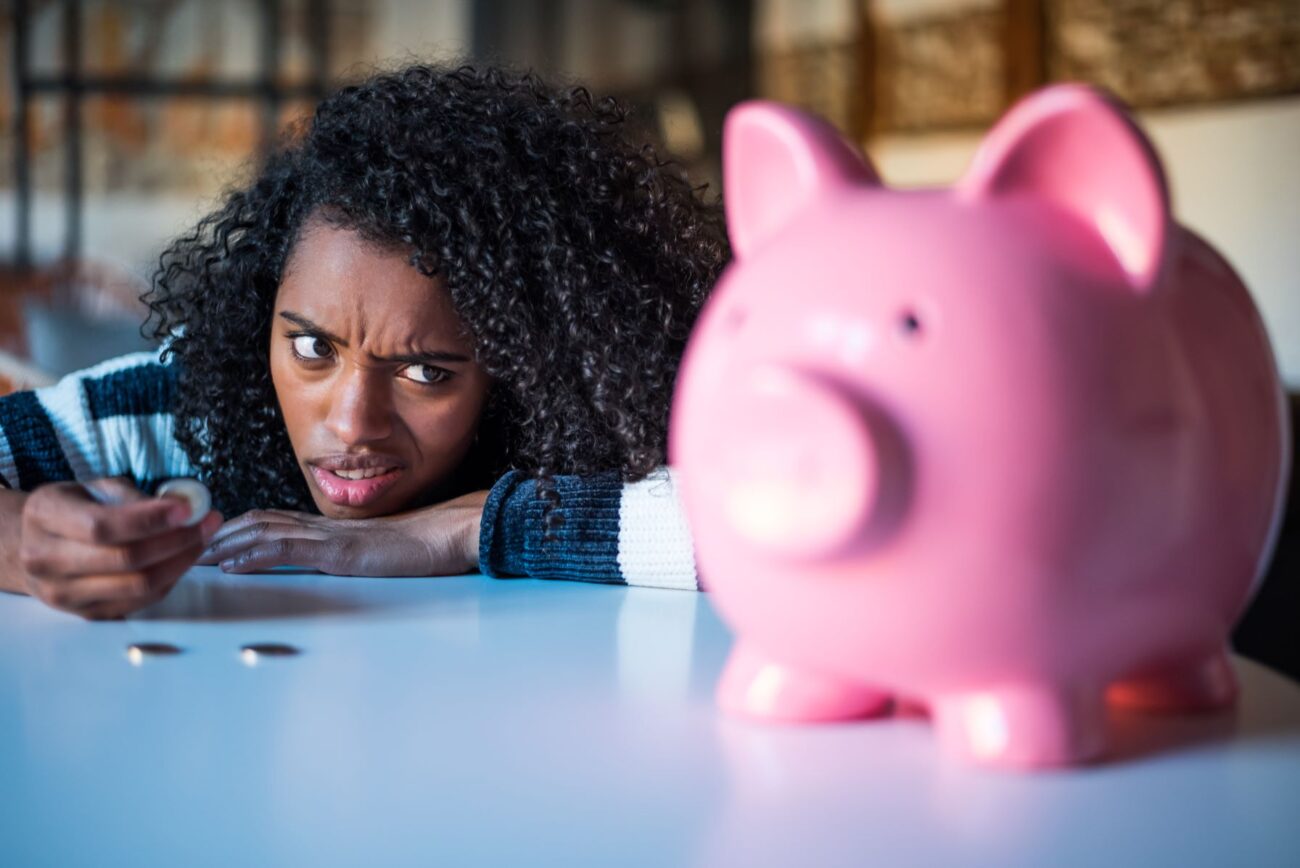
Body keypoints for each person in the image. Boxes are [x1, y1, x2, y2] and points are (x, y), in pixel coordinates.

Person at [0, 64, 725, 619]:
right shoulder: (179, 410)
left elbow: (767, 522)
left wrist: (469, 527)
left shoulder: (592, 427)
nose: (351, 423)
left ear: (517, 367)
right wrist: (23, 544)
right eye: (313, 350)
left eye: (424, 372)